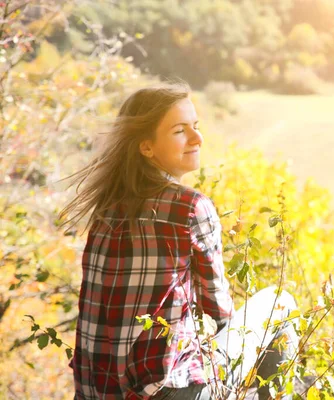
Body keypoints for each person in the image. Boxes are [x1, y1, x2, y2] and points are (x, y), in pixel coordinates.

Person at [60, 82, 300, 400]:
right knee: (279, 302)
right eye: (180, 131)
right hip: (165, 392)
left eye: (196, 127)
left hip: (96, 392)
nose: (197, 138)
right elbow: (219, 310)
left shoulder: (107, 208)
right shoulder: (190, 207)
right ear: (146, 147)